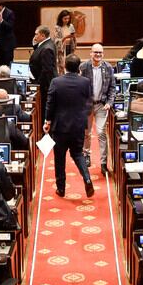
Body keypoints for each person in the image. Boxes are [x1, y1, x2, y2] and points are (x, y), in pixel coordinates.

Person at [44, 54, 94, 198]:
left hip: (60, 127)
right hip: (78, 125)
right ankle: (87, 178)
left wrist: (48, 121)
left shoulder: (56, 82)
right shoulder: (85, 82)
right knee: (78, 154)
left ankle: (61, 189)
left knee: (59, 158)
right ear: (79, 67)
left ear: (64, 66)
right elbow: (88, 102)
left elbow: (50, 103)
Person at [83, 45, 115, 176]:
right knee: (86, 132)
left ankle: (103, 163)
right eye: (95, 52)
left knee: (101, 132)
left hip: (102, 105)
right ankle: (86, 155)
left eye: (100, 52)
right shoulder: (84, 67)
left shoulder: (108, 68)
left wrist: (109, 102)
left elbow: (112, 88)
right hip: (87, 105)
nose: (98, 54)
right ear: (91, 53)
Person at [30, 26, 57, 109]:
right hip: (42, 83)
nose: (34, 36)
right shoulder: (47, 43)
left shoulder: (47, 49)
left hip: (44, 86)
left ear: (42, 36)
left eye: (36, 34)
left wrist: (38, 84)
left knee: (43, 108)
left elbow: (46, 70)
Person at [0, 0, 16, 66]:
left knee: (7, 65)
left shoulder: (9, 13)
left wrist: (2, 21)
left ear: (1, 6)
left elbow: (10, 27)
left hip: (6, 45)